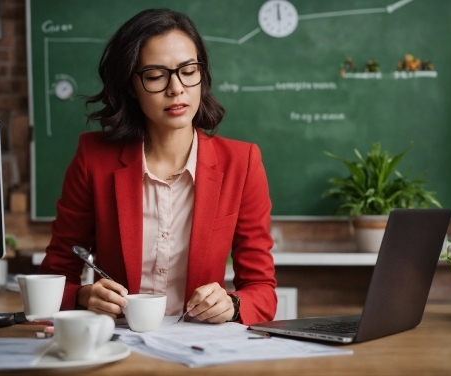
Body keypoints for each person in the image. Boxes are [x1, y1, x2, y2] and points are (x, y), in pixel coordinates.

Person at [39, 8, 277, 326]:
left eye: (188, 71)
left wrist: (232, 305)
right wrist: (84, 296)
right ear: (129, 88)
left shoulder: (241, 163)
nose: (176, 88)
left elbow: (262, 289)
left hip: (201, 347)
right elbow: (56, 275)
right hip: (119, 342)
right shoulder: (93, 159)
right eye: (155, 76)